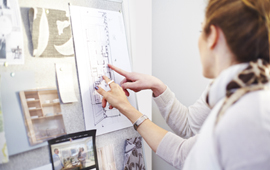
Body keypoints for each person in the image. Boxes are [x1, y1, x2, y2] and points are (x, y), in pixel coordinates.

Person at [95, 0, 270, 169]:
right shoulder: (234, 89)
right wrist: (157, 86)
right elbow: (189, 126)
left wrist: (126, 107)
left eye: (202, 30)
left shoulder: (250, 111)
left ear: (213, 36)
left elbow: (182, 154)